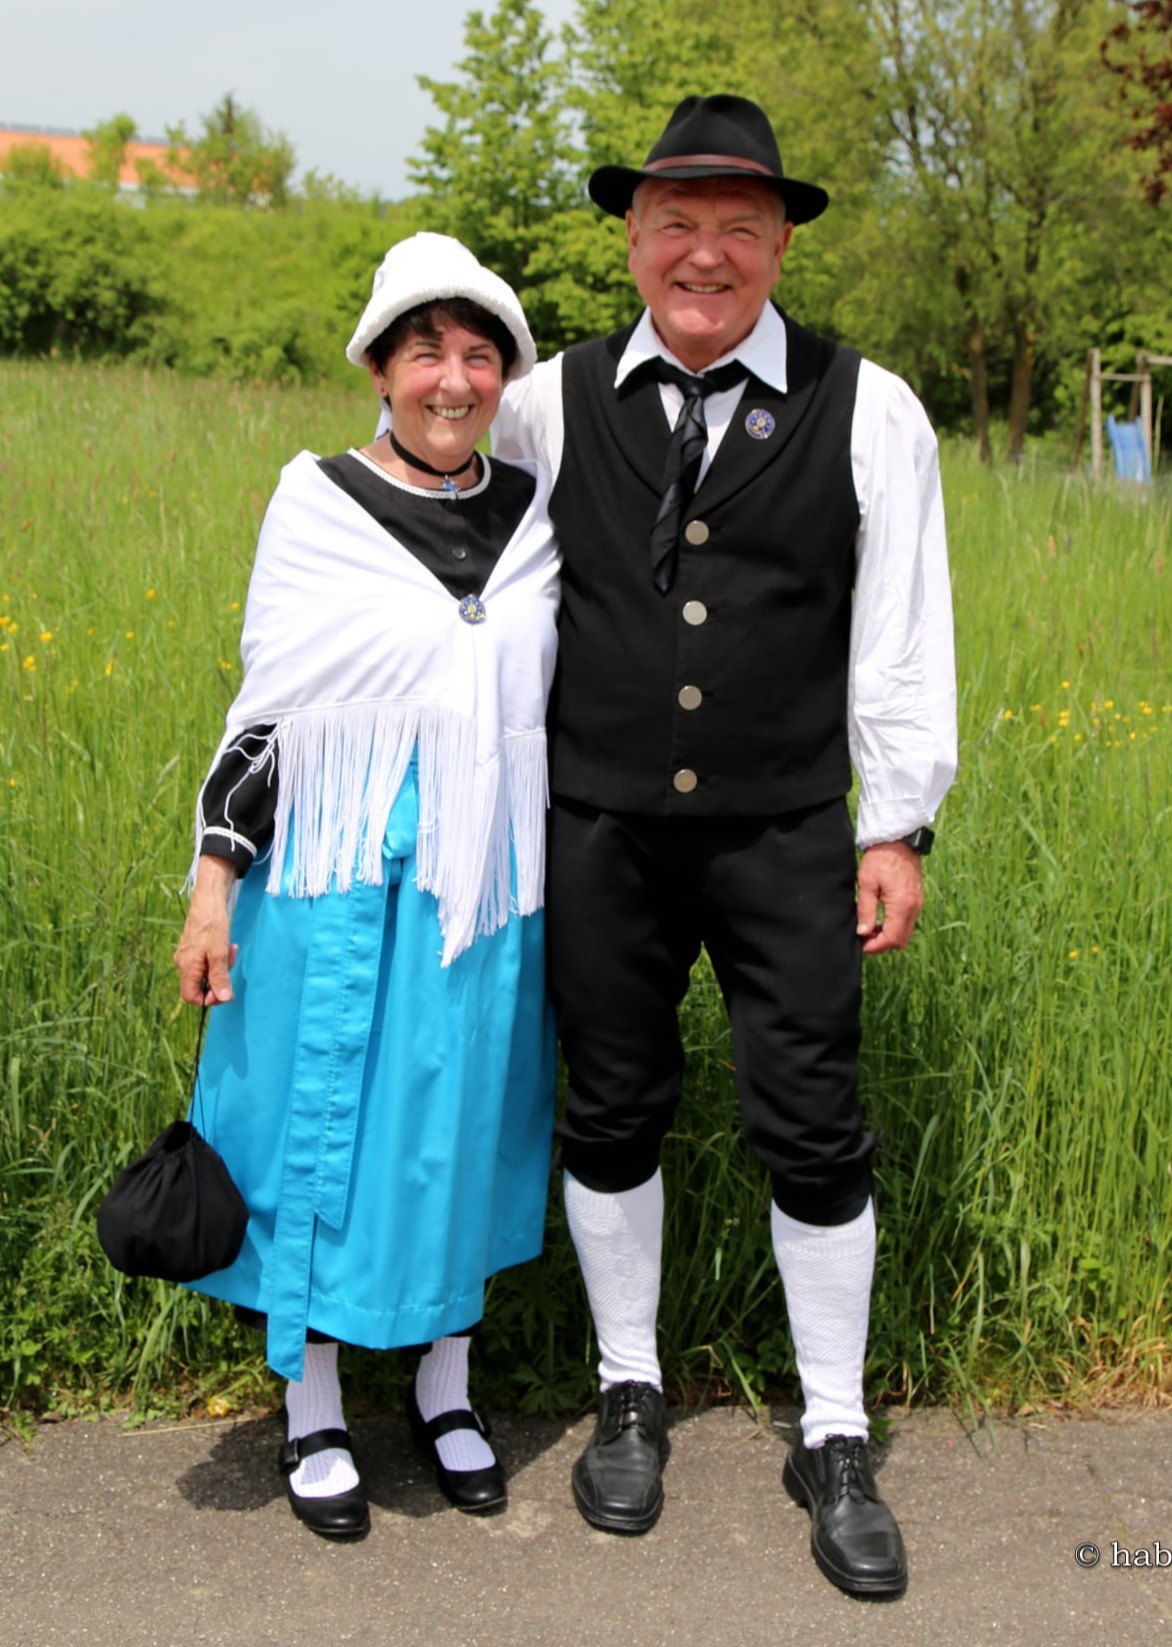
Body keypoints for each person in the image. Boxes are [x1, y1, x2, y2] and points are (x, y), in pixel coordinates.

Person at [493, 95, 957, 1597]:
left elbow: (896, 641)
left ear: (780, 244)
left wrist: (896, 822)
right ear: (631, 236)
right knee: (612, 1108)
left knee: (816, 1124)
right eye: (677, 223)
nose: (707, 253)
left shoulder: (868, 405)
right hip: (601, 828)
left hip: (785, 830)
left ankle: (833, 1430)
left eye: (739, 228)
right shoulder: (545, 403)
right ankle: (629, 1389)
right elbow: (481, 609)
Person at [174, 233, 560, 1540]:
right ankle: (317, 1403)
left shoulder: (534, 513)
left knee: (456, 1137)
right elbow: (269, 710)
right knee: (323, 1132)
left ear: (504, 374)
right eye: (423, 354)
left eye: (477, 355)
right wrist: (213, 886)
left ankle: (449, 1390)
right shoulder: (319, 503)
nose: (452, 381)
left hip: (484, 881)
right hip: (336, 880)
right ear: (380, 371)